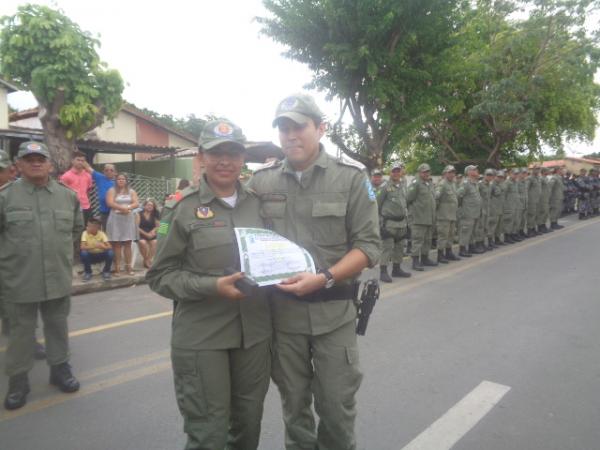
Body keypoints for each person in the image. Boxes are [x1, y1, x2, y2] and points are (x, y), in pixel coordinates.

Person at [247, 93, 381, 450]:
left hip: (334, 316)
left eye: (299, 127)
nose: (291, 136)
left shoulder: (351, 179)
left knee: (336, 408)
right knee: (295, 409)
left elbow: (368, 247)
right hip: (283, 318)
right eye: (283, 128)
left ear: (321, 128)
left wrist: (325, 278)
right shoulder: (261, 183)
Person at [147, 119, 271, 450]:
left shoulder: (259, 204)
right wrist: (212, 286)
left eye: (233, 153)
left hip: (254, 336)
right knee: (209, 434)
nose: (225, 161)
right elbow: (160, 276)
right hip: (202, 337)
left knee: (248, 427)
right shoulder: (181, 207)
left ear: (243, 158)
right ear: (202, 156)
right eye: (217, 153)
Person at [0, 141, 83, 410]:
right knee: (20, 333)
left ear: (50, 164)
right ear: (19, 165)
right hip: (18, 279)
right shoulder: (5, 197)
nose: (36, 163)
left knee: (57, 326)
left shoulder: (67, 196)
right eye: (29, 159)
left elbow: (75, 231)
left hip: (57, 276)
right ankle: (18, 381)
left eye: (41, 158)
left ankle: (60, 369)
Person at [378, 163, 411, 282]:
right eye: (394, 171)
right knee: (387, 247)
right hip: (389, 223)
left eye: (398, 171)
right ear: (390, 173)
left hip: (402, 223)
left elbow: (404, 203)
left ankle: (396, 269)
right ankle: (383, 271)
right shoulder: (384, 186)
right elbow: (377, 205)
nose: (396, 173)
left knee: (399, 247)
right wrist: (380, 224)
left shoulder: (403, 185)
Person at [105, 173, 139, 276]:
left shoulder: (132, 191)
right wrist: (122, 208)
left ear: (126, 180)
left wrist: (127, 207)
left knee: (128, 243)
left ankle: (129, 267)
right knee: (117, 244)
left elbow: (136, 203)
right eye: (119, 179)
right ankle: (117, 268)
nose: (121, 180)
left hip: (128, 219)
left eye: (123, 179)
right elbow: (110, 203)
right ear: (116, 180)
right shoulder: (112, 190)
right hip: (115, 219)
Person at [59, 151, 93, 225]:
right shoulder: (66, 176)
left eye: (82, 161)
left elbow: (88, 192)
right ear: (72, 161)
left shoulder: (88, 176)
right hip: (72, 208)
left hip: (86, 207)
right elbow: (62, 194)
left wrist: (88, 203)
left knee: (86, 230)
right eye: (78, 160)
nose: (80, 162)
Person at [435, 165, 460, 263]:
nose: (452, 174)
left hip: (452, 215)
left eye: (453, 172)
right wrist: (439, 211)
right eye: (450, 172)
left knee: (451, 235)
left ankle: (449, 252)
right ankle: (440, 255)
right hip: (444, 216)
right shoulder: (442, 184)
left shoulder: (453, 184)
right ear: (445, 173)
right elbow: (436, 198)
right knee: (443, 236)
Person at [457, 165, 483, 256]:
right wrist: (463, 208)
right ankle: (462, 249)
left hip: (475, 212)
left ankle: (471, 247)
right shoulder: (465, 183)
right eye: (474, 169)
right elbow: (459, 196)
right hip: (467, 212)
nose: (477, 170)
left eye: (476, 169)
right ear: (469, 172)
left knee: (473, 231)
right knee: (465, 231)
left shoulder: (475, 183)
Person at [83, 161, 116, 230]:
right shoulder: (100, 178)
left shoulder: (118, 182)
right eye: (106, 170)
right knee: (106, 231)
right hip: (105, 212)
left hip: (116, 212)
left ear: (115, 172)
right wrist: (80, 158)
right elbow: (88, 167)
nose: (109, 172)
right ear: (103, 172)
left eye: (111, 170)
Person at [80, 217, 113, 281]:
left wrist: (103, 247)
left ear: (96, 227)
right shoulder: (85, 233)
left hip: (100, 254)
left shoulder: (101, 234)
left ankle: (106, 271)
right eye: (87, 225)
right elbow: (82, 247)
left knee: (110, 253)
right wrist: (94, 246)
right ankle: (88, 272)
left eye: (89, 226)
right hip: (90, 255)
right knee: (84, 253)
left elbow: (110, 246)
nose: (87, 227)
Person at [136, 199, 160, 268]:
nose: (150, 206)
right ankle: (146, 259)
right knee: (142, 242)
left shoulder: (155, 214)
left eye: (152, 205)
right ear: (144, 206)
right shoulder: (139, 214)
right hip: (141, 233)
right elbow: (136, 227)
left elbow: (158, 226)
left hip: (151, 233)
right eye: (148, 205)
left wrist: (153, 231)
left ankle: (148, 259)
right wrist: (146, 235)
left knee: (155, 242)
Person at [526, 165, 542, 234]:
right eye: (536, 169)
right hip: (531, 200)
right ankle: (530, 229)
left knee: (536, 214)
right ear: (533, 170)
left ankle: (533, 228)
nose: (538, 170)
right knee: (531, 214)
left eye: (539, 169)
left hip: (537, 199)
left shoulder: (538, 178)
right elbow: (526, 189)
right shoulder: (529, 178)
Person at [537, 167, 551, 233]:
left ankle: (543, 224)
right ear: (544, 172)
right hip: (542, 198)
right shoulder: (541, 178)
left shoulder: (546, 178)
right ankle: (540, 226)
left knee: (546, 212)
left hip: (546, 197)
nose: (549, 172)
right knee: (542, 212)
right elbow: (539, 188)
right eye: (547, 171)